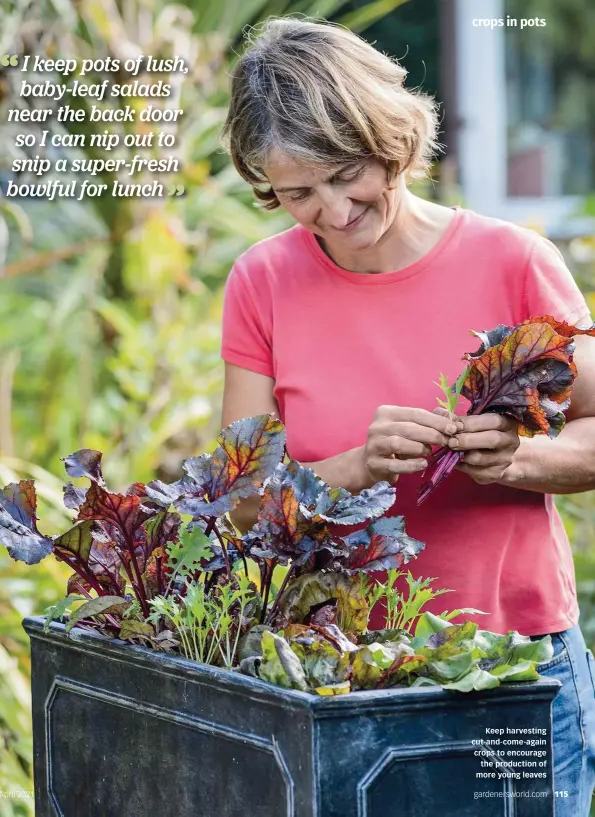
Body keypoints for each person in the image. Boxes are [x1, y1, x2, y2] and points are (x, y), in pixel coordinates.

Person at [218, 16, 595, 815]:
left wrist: (516, 459)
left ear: (389, 140)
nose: (331, 210)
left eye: (344, 174)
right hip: (336, 668)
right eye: (295, 193)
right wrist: (352, 467)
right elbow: (243, 501)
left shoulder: (512, 262)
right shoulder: (261, 283)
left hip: (511, 663)